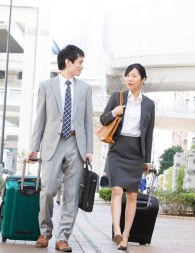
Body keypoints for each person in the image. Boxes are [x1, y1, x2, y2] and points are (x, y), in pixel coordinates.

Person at [27, 45, 93, 252]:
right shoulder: (46, 86)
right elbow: (41, 118)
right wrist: (33, 147)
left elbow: (87, 122)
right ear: (68, 62)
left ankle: (63, 237)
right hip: (51, 145)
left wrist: (89, 149)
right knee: (47, 190)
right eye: (80, 62)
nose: (82, 66)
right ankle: (45, 232)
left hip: (76, 144)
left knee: (72, 194)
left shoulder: (85, 89)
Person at [100, 63, 155, 250]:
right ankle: (116, 230)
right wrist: (114, 112)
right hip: (118, 148)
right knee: (116, 190)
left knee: (132, 195)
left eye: (134, 76)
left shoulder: (149, 104)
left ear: (143, 79)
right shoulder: (118, 97)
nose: (129, 79)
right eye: (127, 76)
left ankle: (125, 236)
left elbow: (149, 133)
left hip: (136, 152)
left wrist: (147, 160)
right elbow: (103, 119)